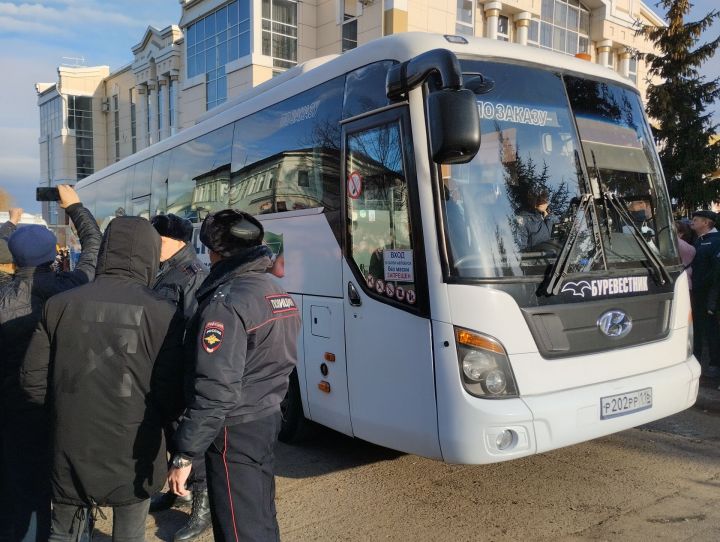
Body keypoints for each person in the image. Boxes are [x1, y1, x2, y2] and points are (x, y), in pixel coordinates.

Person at [19, 216, 185, 541]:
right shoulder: (163, 313)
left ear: (107, 250)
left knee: (63, 530)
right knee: (129, 533)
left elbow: (32, 381)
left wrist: (60, 415)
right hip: (135, 446)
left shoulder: (59, 305)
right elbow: (171, 395)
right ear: (150, 254)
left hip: (69, 441)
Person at [168, 209, 301, 541]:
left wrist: (185, 452)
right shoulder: (273, 287)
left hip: (234, 428)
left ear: (217, 253)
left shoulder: (225, 304)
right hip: (266, 415)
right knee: (259, 513)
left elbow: (214, 388)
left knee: (238, 527)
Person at [0, 186, 101, 542]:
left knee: (21, 495)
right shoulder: (73, 288)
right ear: (52, 256)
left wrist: (9, 229)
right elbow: (93, 248)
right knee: (67, 493)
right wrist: (75, 207)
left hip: (13, 412)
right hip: (64, 408)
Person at [148, 213, 211, 541]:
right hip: (162, 370)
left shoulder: (192, 274)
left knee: (189, 439)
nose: (154, 243)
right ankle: (174, 490)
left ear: (178, 241)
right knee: (172, 435)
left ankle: (203, 506)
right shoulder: (166, 270)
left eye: (159, 238)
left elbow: (194, 329)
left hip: (180, 373)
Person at [689, 210, 720, 378]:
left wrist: (712, 300)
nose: (692, 222)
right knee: (698, 329)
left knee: (711, 329)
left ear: (706, 223)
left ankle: (714, 364)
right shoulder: (698, 241)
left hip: (710, 296)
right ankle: (697, 362)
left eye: (696, 219)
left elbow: (716, 273)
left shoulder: (716, 241)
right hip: (698, 294)